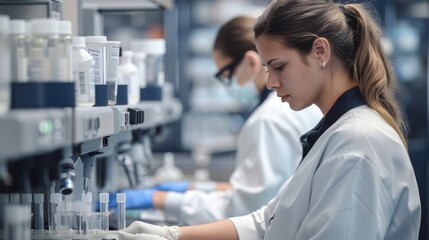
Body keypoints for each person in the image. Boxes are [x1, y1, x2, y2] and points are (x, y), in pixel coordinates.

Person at [117, 0, 421, 239]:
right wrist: (173, 235)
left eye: (278, 66)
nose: (271, 82)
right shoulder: (334, 133)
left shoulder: (358, 142)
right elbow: (266, 222)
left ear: (320, 51)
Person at [110, 16, 322, 225]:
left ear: (250, 62)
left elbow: (241, 208)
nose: (227, 84)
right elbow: (261, 190)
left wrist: (156, 199)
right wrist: (196, 189)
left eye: (226, 74)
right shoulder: (295, 106)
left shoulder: (269, 119)